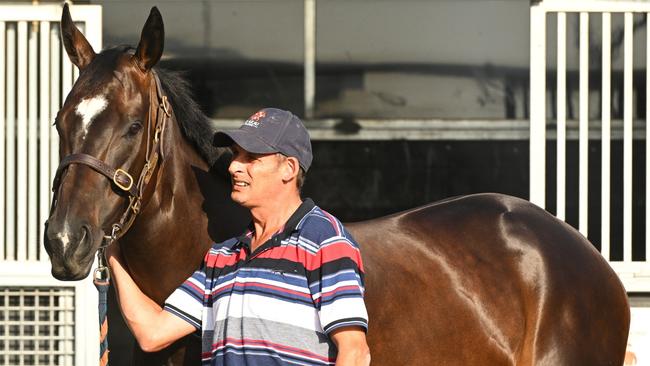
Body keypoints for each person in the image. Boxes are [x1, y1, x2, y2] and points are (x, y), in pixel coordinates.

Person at [107, 108, 370, 365]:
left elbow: (355, 354)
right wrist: (112, 252)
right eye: (235, 154)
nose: (234, 166)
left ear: (288, 169)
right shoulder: (222, 256)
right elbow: (152, 334)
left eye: (251, 157)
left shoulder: (325, 240)